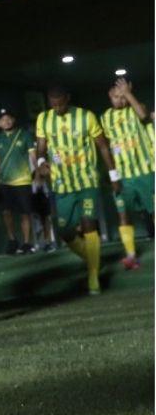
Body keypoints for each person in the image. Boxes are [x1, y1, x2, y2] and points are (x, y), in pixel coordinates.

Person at [35, 85, 121, 295]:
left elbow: (102, 146)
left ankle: (93, 278)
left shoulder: (87, 116)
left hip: (87, 181)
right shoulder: (43, 119)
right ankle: (94, 260)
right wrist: (40, 161)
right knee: (65, 232)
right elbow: (41, 146)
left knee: (89, 225)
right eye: (52, 104)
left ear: (68, 98)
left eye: (60, 103)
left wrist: (113, 175)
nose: (57, 107)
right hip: (62, 183)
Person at [101, 78, 153, 270]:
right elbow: (105, 146)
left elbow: (143, 115)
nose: (120, 101)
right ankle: (131, 255)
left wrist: (129, 94)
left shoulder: (135, 107)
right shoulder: (105, 117)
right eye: (116, 97)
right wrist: (112, 174)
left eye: (123, 97)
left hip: (145, 171)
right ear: (109, 96)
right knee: (123, 213)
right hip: (123, 176)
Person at [0, 108, 36, 255]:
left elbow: (33, 156)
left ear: (14, 119)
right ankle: (12, 240)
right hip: (4, 182)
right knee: (6, 212)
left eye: (9, 118)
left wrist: (37, 174)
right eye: (3, 119)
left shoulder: (25, 135)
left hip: (23, 180)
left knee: (25, 213)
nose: (6, 121)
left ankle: (27, 243)